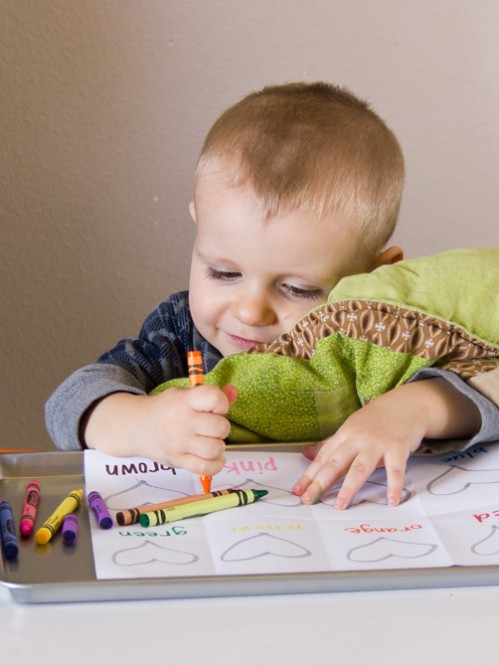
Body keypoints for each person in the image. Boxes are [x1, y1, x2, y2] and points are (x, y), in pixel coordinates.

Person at [45, 82, 489, 509]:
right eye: (223, 273)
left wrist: (416, 408)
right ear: (199, 227)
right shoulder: (180, 333)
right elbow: (71, 400)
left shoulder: (379, 339)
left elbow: (487, 385)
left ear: (374, 278)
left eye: (297, 289)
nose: (249, 311)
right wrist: (142, 424)